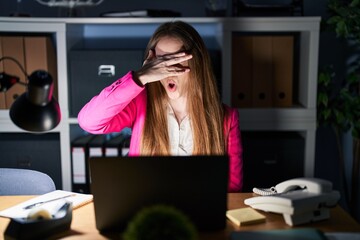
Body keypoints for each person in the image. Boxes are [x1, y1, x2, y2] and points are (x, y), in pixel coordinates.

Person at [78, 21, 243, 192]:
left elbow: (232, 188)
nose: (167, 71)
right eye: (161, 63)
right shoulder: (139, 104)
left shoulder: (227, 118)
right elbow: (89, 121)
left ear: (197, 64)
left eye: (175, 61)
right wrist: (139, 77)